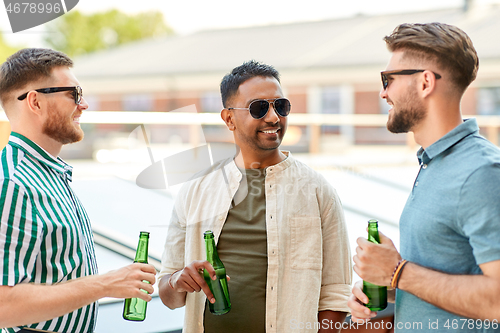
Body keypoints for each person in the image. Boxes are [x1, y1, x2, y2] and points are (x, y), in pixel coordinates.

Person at [158, 60, 352, 333]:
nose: (273, 117)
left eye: (281, 106)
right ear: (228, 119)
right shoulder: (195, 190)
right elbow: (168, 294)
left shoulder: (319, 192)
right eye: (259, 108)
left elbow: (336, 292)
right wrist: (178, 280)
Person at [348, 22, 500, 332]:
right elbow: (447, 277)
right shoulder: (433, 161)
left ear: (425, 82)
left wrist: (397, 272)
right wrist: (387, 285)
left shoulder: (481, 173)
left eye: (388, 79)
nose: (383, 92)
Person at [0, 48, 157, 333]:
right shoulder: (12, 183)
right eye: (74, 94)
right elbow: (2, 306)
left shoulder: (49, 174)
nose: (83, 105)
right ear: (34, 102)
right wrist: (107, 284)